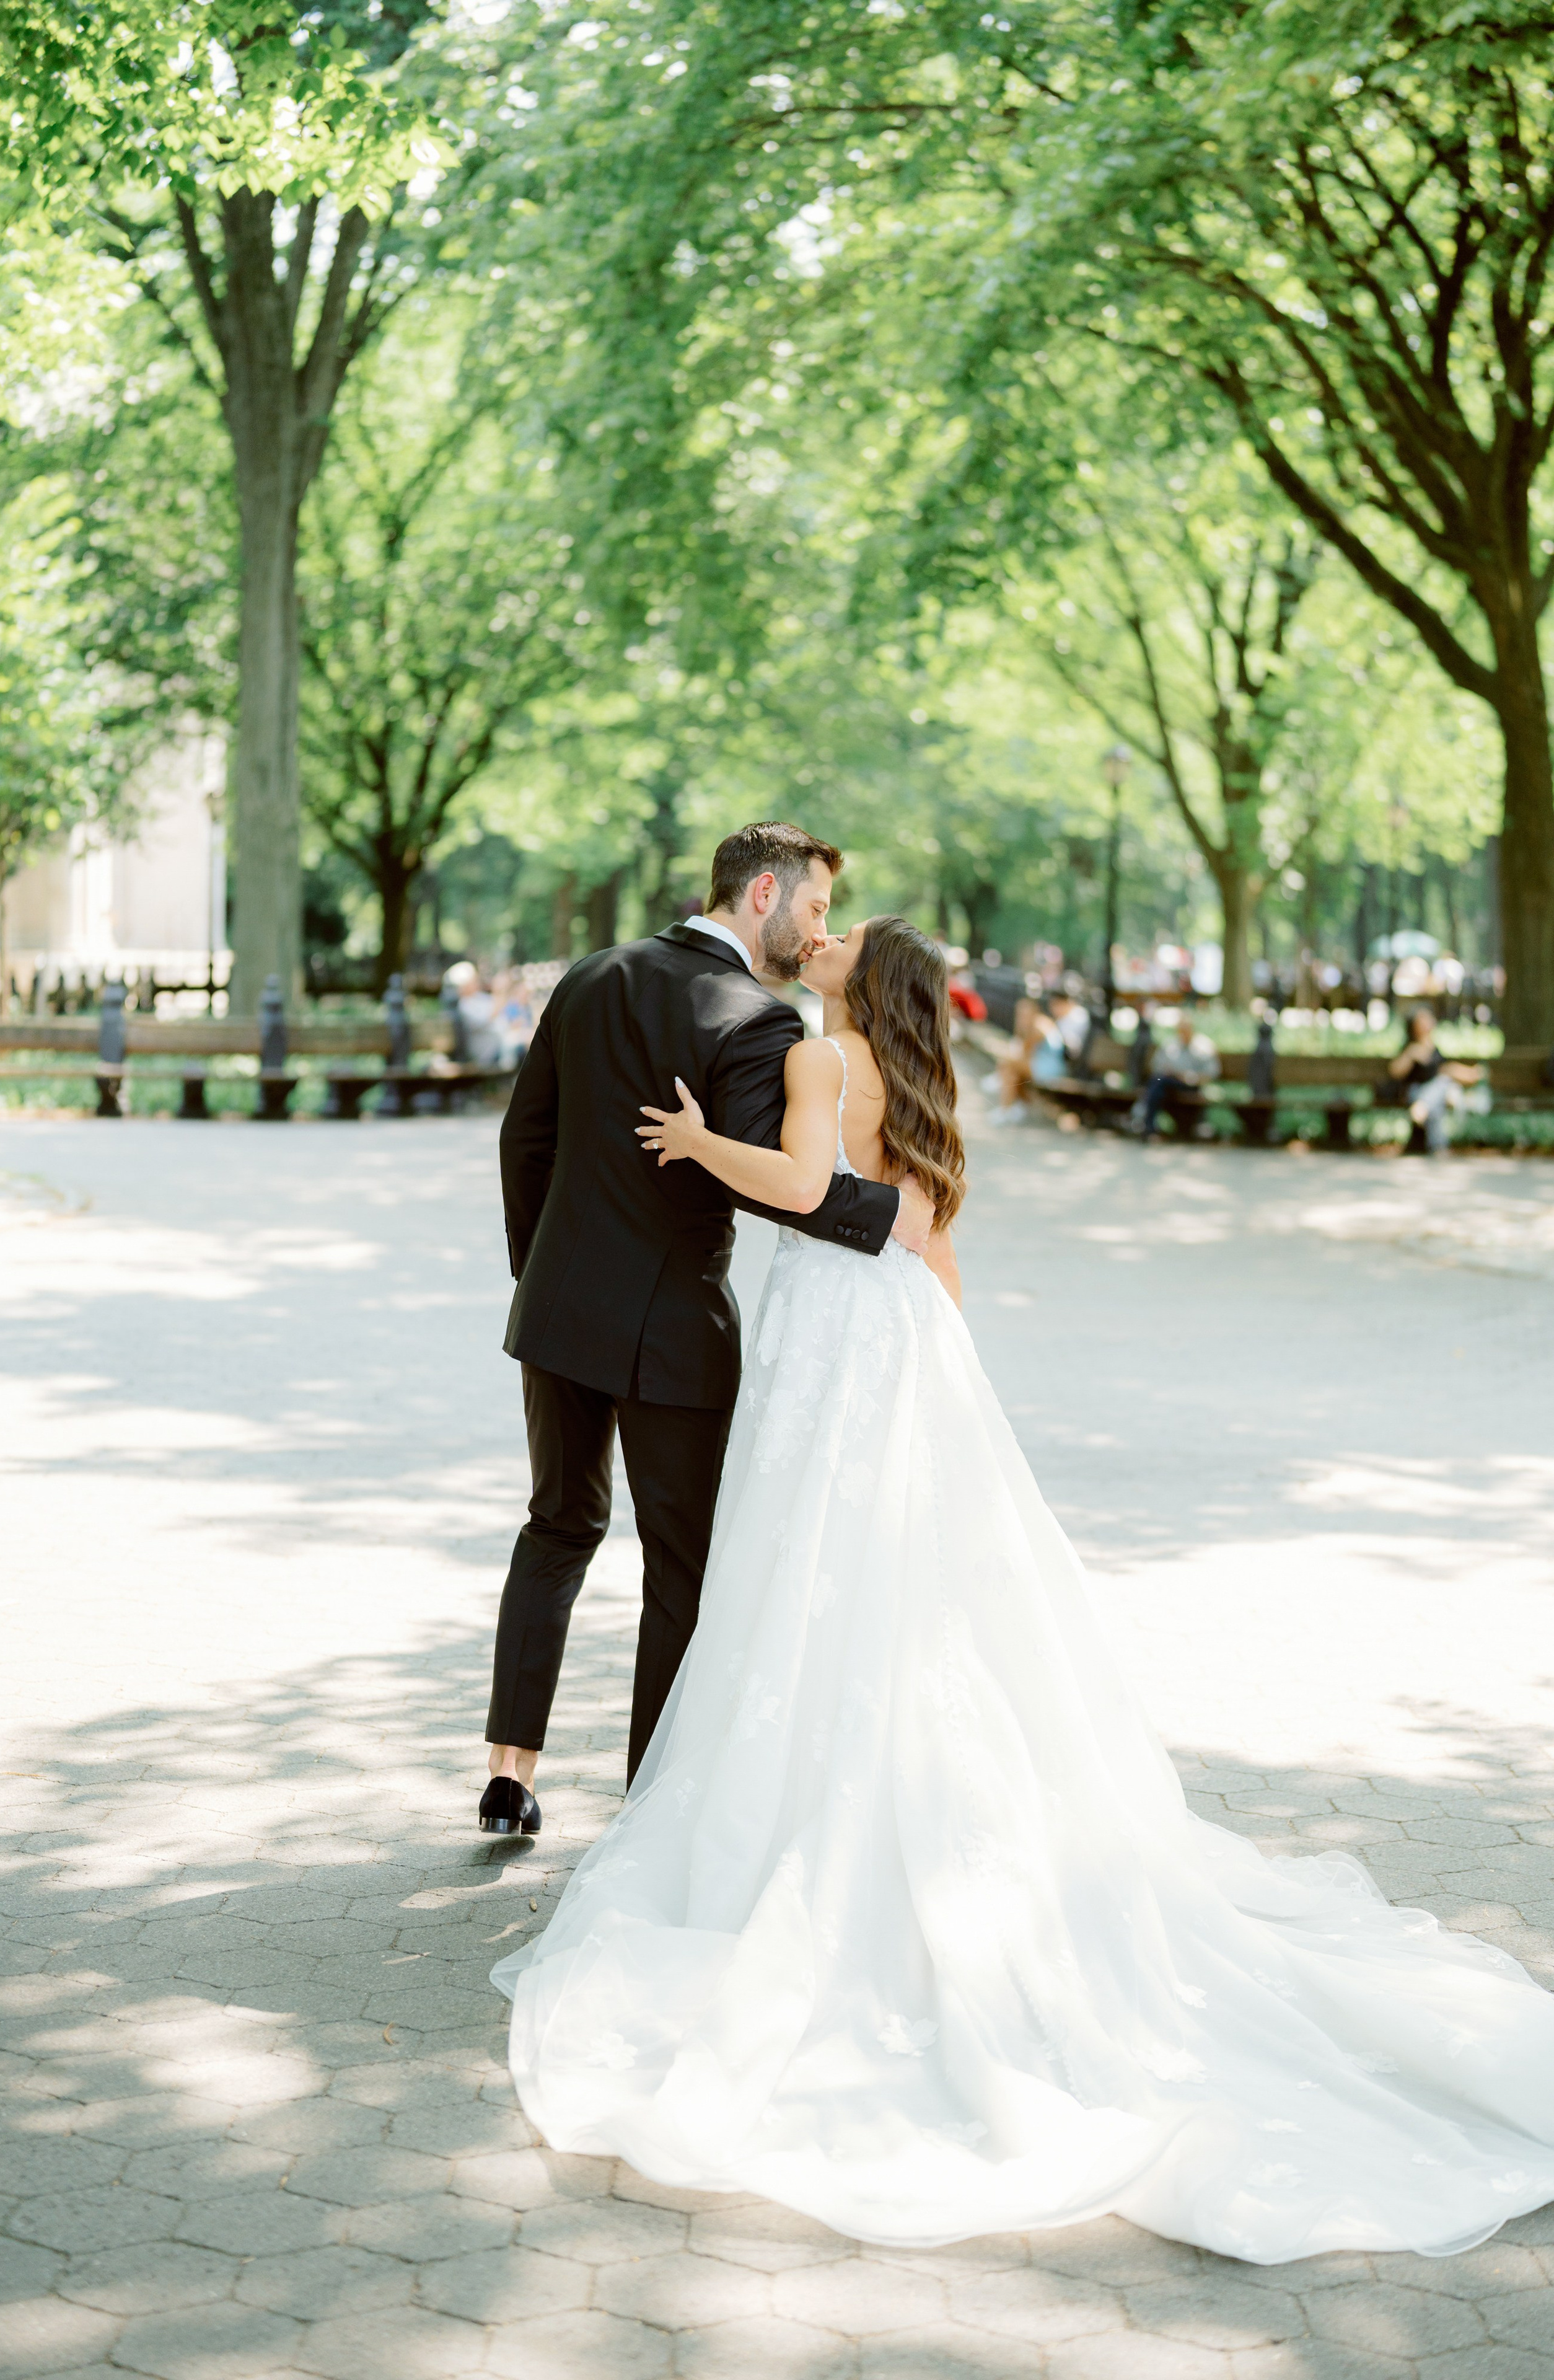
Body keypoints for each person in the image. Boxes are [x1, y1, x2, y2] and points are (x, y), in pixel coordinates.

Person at [491, 910, 1554, 2263]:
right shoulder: (923, 1083)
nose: (818, 938)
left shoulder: (821, 1060)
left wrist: (702, 1149)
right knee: (899, 1576)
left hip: (828, 1330)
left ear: (858, 983)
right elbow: (926, 1239)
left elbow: (812, 1192)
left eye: (840, 938)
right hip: (905, 1336)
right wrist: (950, 1363)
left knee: (797, 1567)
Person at [481, 824, 934, 1839]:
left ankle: (510, 1774)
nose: (817, 933)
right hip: (674, 1330)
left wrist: (541, 1273)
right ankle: (649, 1802)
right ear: (764, 893)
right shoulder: (757, 1020)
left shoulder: (592, 976)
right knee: (680, 1563)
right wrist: (893, 1215)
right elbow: (779, 1188)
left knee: (556, 1526)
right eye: (815, 909)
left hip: (556, 1312)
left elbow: (527, 1138)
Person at [1389, 1006, 1482, 1155]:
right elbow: (1394, 1072)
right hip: (1414, 1093)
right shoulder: (1410, 1047)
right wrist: (1410, 1055)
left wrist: (1470, 1074)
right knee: (1441, 1089)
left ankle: (1423, 1109)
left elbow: (1444, 1070)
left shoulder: (1435, 1049)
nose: (1427, 1023)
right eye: (1422, 1020)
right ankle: (1438, 1146)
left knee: (1441, 1087)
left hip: (1432, 1096)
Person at [1135, 1011, 1219, 1140]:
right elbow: (1156, 1067)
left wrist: (1189, 1077)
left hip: (1191, 1085)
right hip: (1167, 1084)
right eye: (1181, 1029)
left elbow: (1212, 1074)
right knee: (1159, 1082)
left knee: (1157, 1084)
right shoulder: (1170, 1045)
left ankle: (1144, 1120)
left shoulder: (1204, 1046)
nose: (1183, 1032)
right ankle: (1148, 1125)